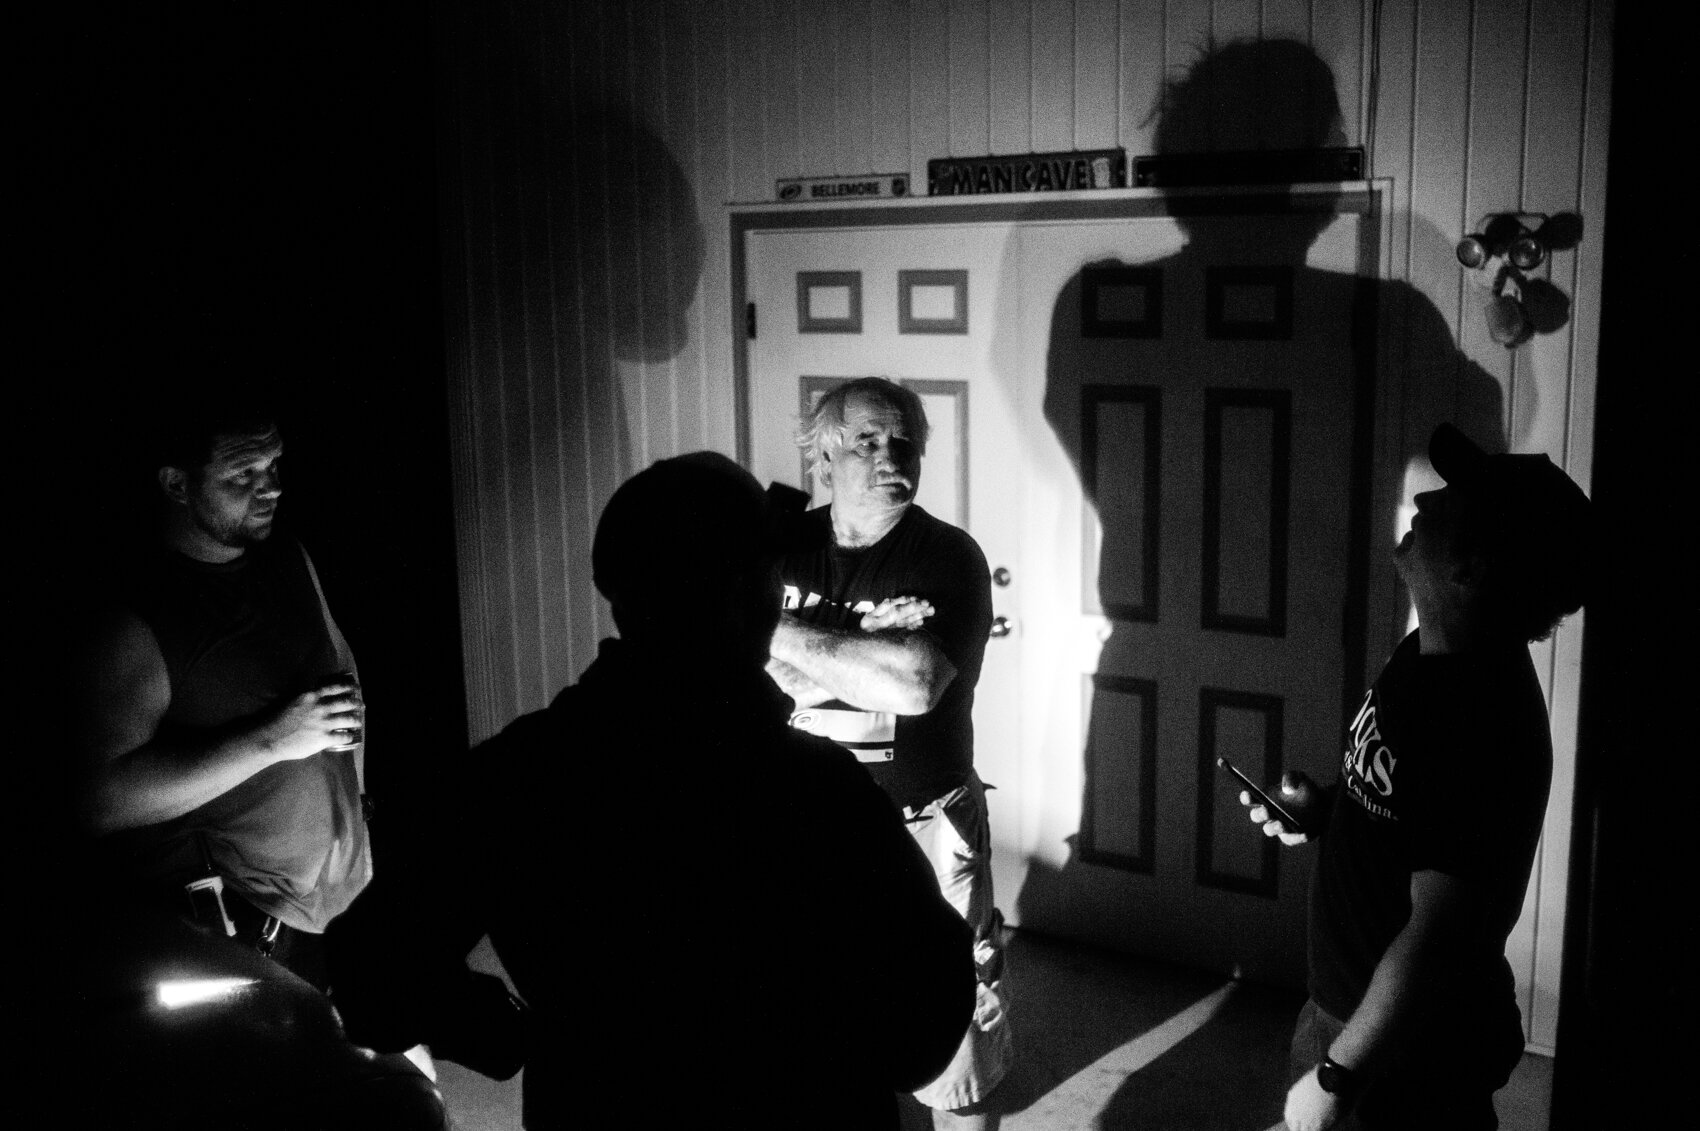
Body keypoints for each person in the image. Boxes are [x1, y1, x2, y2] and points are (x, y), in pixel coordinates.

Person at [326, 451, 975, 1129]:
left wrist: (503, 1029)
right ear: (745, 599)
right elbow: (920, 1036)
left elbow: (371, 976)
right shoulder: (819, 794)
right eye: (770, 575)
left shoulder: (519, 772)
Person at [1240, 423, 1592, 1130]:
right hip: (1345, 1010)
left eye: (1451, 500)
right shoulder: (1427, 651)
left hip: (1402, 1054)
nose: (1425, 499)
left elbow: (1438, 937)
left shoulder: (1485, 724)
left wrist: (1338, 1073)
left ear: (1473, 567)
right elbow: (1404, 810)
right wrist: (1329, 809)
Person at [767, 377, 1013, 1129]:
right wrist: (864, 644)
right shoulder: (781, 545)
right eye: (868, 439)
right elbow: (727, 668)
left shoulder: (949, 555)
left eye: (903, 439)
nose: (890, 453)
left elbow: (915, 681)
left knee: (958, 1038)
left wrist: (769, 630)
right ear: (824, 455)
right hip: (799, 831)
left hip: (926, 828)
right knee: (811, 1023)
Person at [69, 396, 372, 986]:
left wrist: (357, 811)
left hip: (343, 902)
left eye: (276, 466)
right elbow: (96, 802)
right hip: (247, 935)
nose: (274, 488)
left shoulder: (285, 555)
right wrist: (271, 741)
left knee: (389, 1070)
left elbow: (344, 677)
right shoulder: (137, 621)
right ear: (177, 483)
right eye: (244, 475)